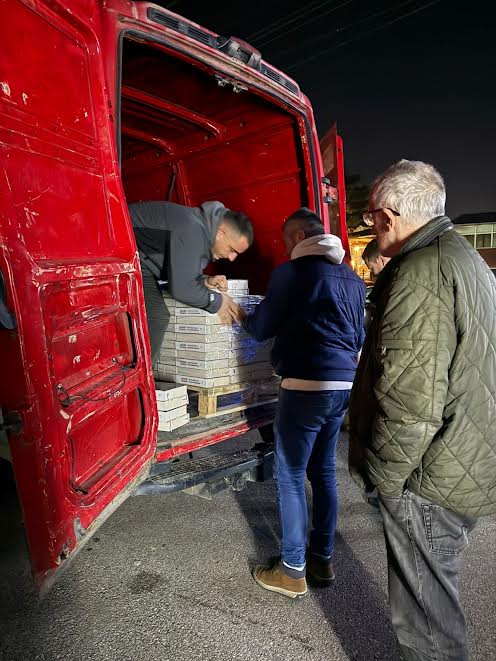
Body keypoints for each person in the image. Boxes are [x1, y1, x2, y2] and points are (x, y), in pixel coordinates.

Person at [349, 160, 496, 661]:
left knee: (426, 623)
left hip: (428, 475)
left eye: (370, 217)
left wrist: (387, 480)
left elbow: (410, 399)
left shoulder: (420, 270)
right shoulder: (463, 256)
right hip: (463, 455)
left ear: (388, 216)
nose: (371, 226)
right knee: (435, 600)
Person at [241, 207, 366, 598]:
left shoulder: (291, 273)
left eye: (284, 241)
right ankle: (321, 559)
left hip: (305, 386)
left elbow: (261, 328)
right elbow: (359, 336)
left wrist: (239, 314)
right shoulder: (351, 277)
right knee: (324, 471)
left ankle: (292, 570)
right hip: (343, 385)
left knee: (291, 475)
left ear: (297, 237)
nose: (283, 249)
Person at [129, 200, 253, 364]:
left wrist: (206, 281)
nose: (231, 258)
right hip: (122, 249)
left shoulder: (202, 232)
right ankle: (138, 377)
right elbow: (181, 288)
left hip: (141, 260)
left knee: (158, 316)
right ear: (220, 233)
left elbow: (180, 272)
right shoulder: (192, 229)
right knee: (157, 317)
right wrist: (218, 302)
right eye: (232, 250)